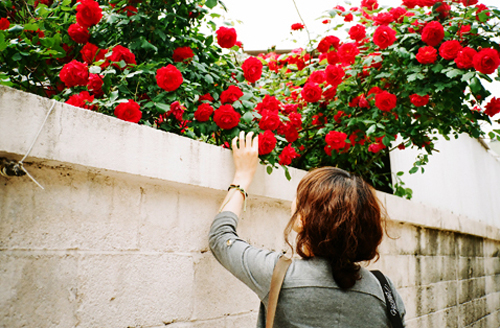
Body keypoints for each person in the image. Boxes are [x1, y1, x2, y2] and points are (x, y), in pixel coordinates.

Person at [209, 131, 406, 327]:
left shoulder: (278, 274)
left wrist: (242, 177)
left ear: (305, 220)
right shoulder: (385, 291)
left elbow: (221, 237)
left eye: (301, 199)